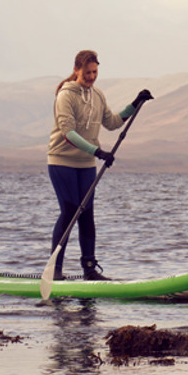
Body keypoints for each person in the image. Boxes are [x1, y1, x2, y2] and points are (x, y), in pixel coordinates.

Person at [45, 50, 151, 279]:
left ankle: (89, 269)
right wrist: (98, 151)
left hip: (86, 164)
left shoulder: (98, 95)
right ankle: (54, 271)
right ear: (76, 70)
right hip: (61, 161)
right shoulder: (65, 96)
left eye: (95, 72)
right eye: (87, 72)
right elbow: (68, 134)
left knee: (87, 214)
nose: (92, 76)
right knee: (70, 211)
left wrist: (136, 103)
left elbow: (112, 122)